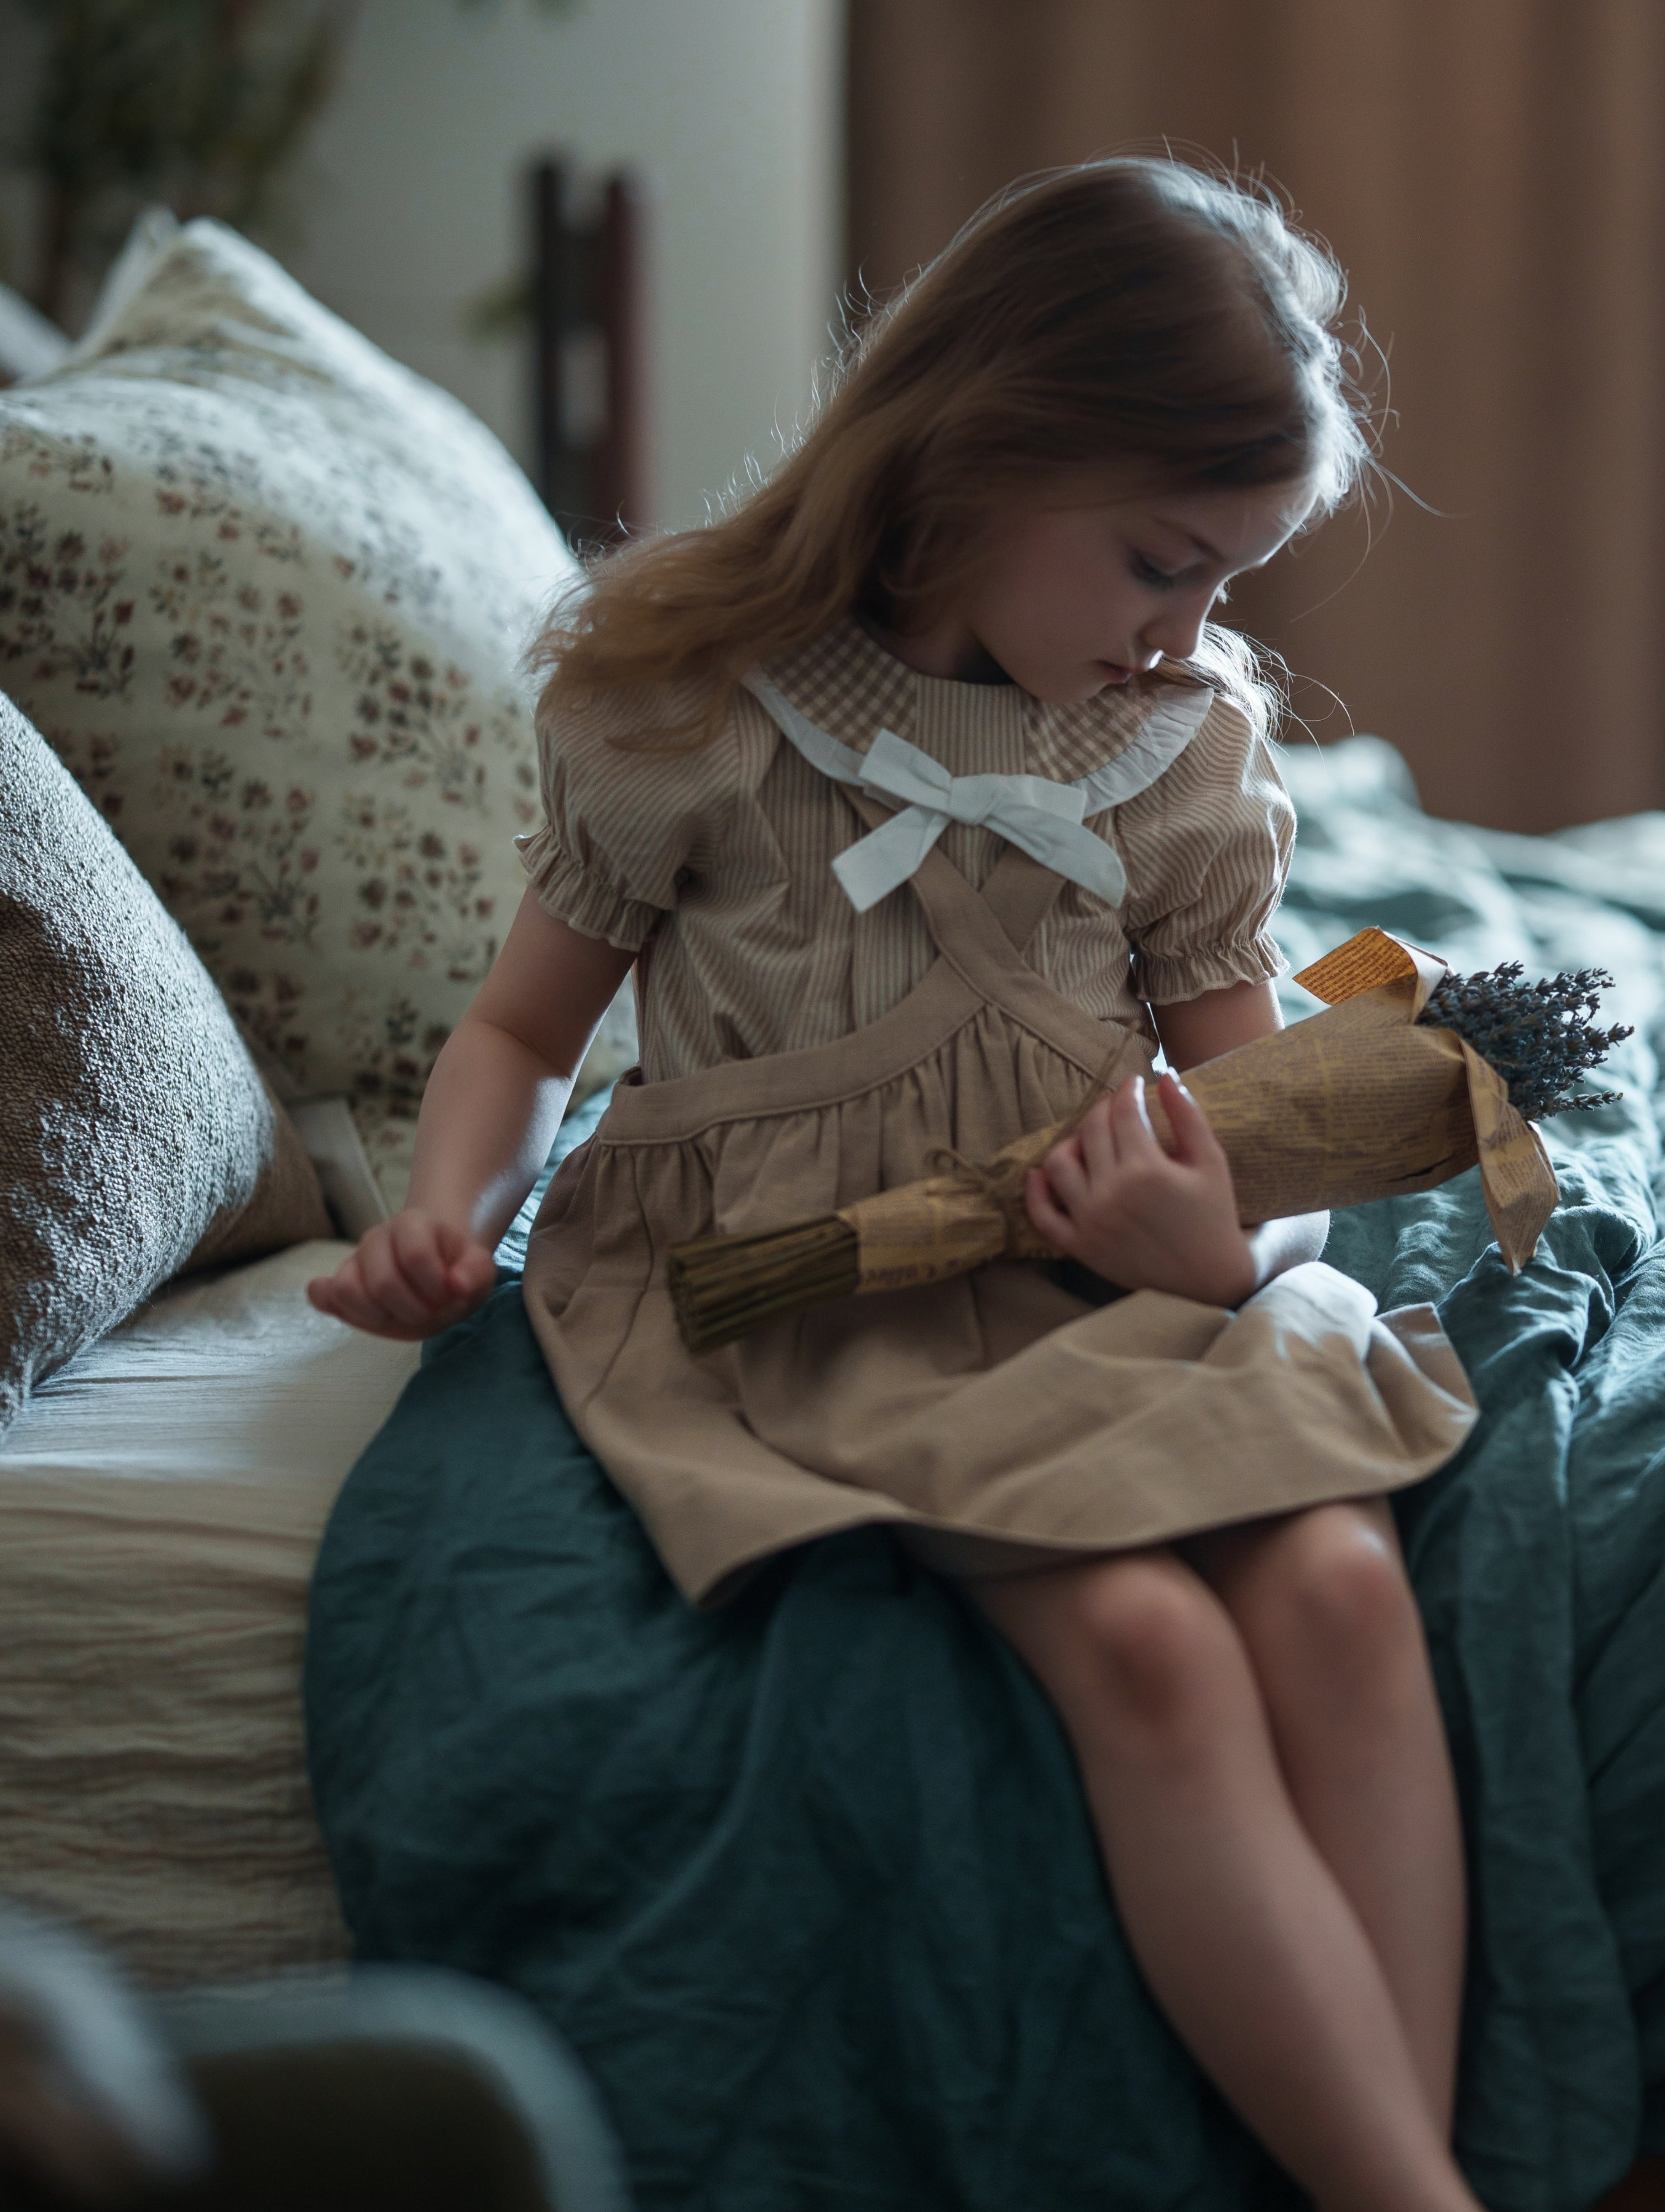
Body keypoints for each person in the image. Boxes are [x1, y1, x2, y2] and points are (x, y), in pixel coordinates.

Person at [309, 157, 1488, 2212]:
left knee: (1336, 1582)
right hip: (819, 1292)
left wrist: (1218, 1242)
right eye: (1156, 564)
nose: (1187, 636)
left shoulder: (1180, 754)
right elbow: (515, 1037)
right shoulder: (681, 707)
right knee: (1147, 1653)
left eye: (1226, 583)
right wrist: (454, 1211)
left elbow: (1261, 1120)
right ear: (980, 452)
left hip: (1102, 1270)